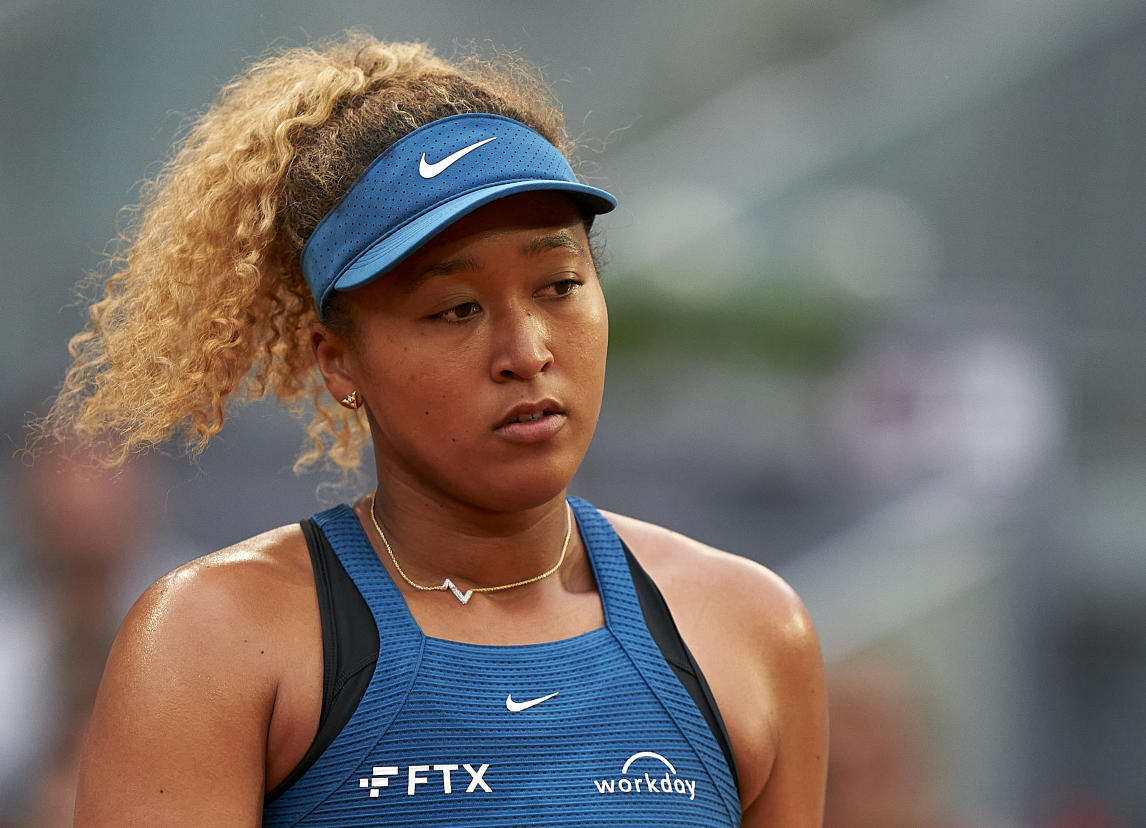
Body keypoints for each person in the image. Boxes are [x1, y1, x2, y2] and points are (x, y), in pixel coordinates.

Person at [46, 34, 827, 826]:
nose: (527, 352)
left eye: (559, 285)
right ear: (339, 361)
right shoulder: (210, 640)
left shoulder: (752, 628)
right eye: (456, 309)